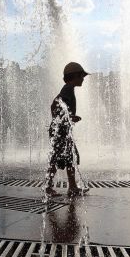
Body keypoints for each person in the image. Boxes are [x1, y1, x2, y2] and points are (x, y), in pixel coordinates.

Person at [45, 62, 89, 198]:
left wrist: (67, 118)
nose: (83, 79)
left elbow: (55, 105)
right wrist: (67, 118)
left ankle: (72, 187)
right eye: (81, 76)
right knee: (58, 158)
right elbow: (55, 105)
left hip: (61, 130)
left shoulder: (69, 88)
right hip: (60, 131)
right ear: (74, 76)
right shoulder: (68, 89)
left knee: (69, 157)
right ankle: (49, 187)